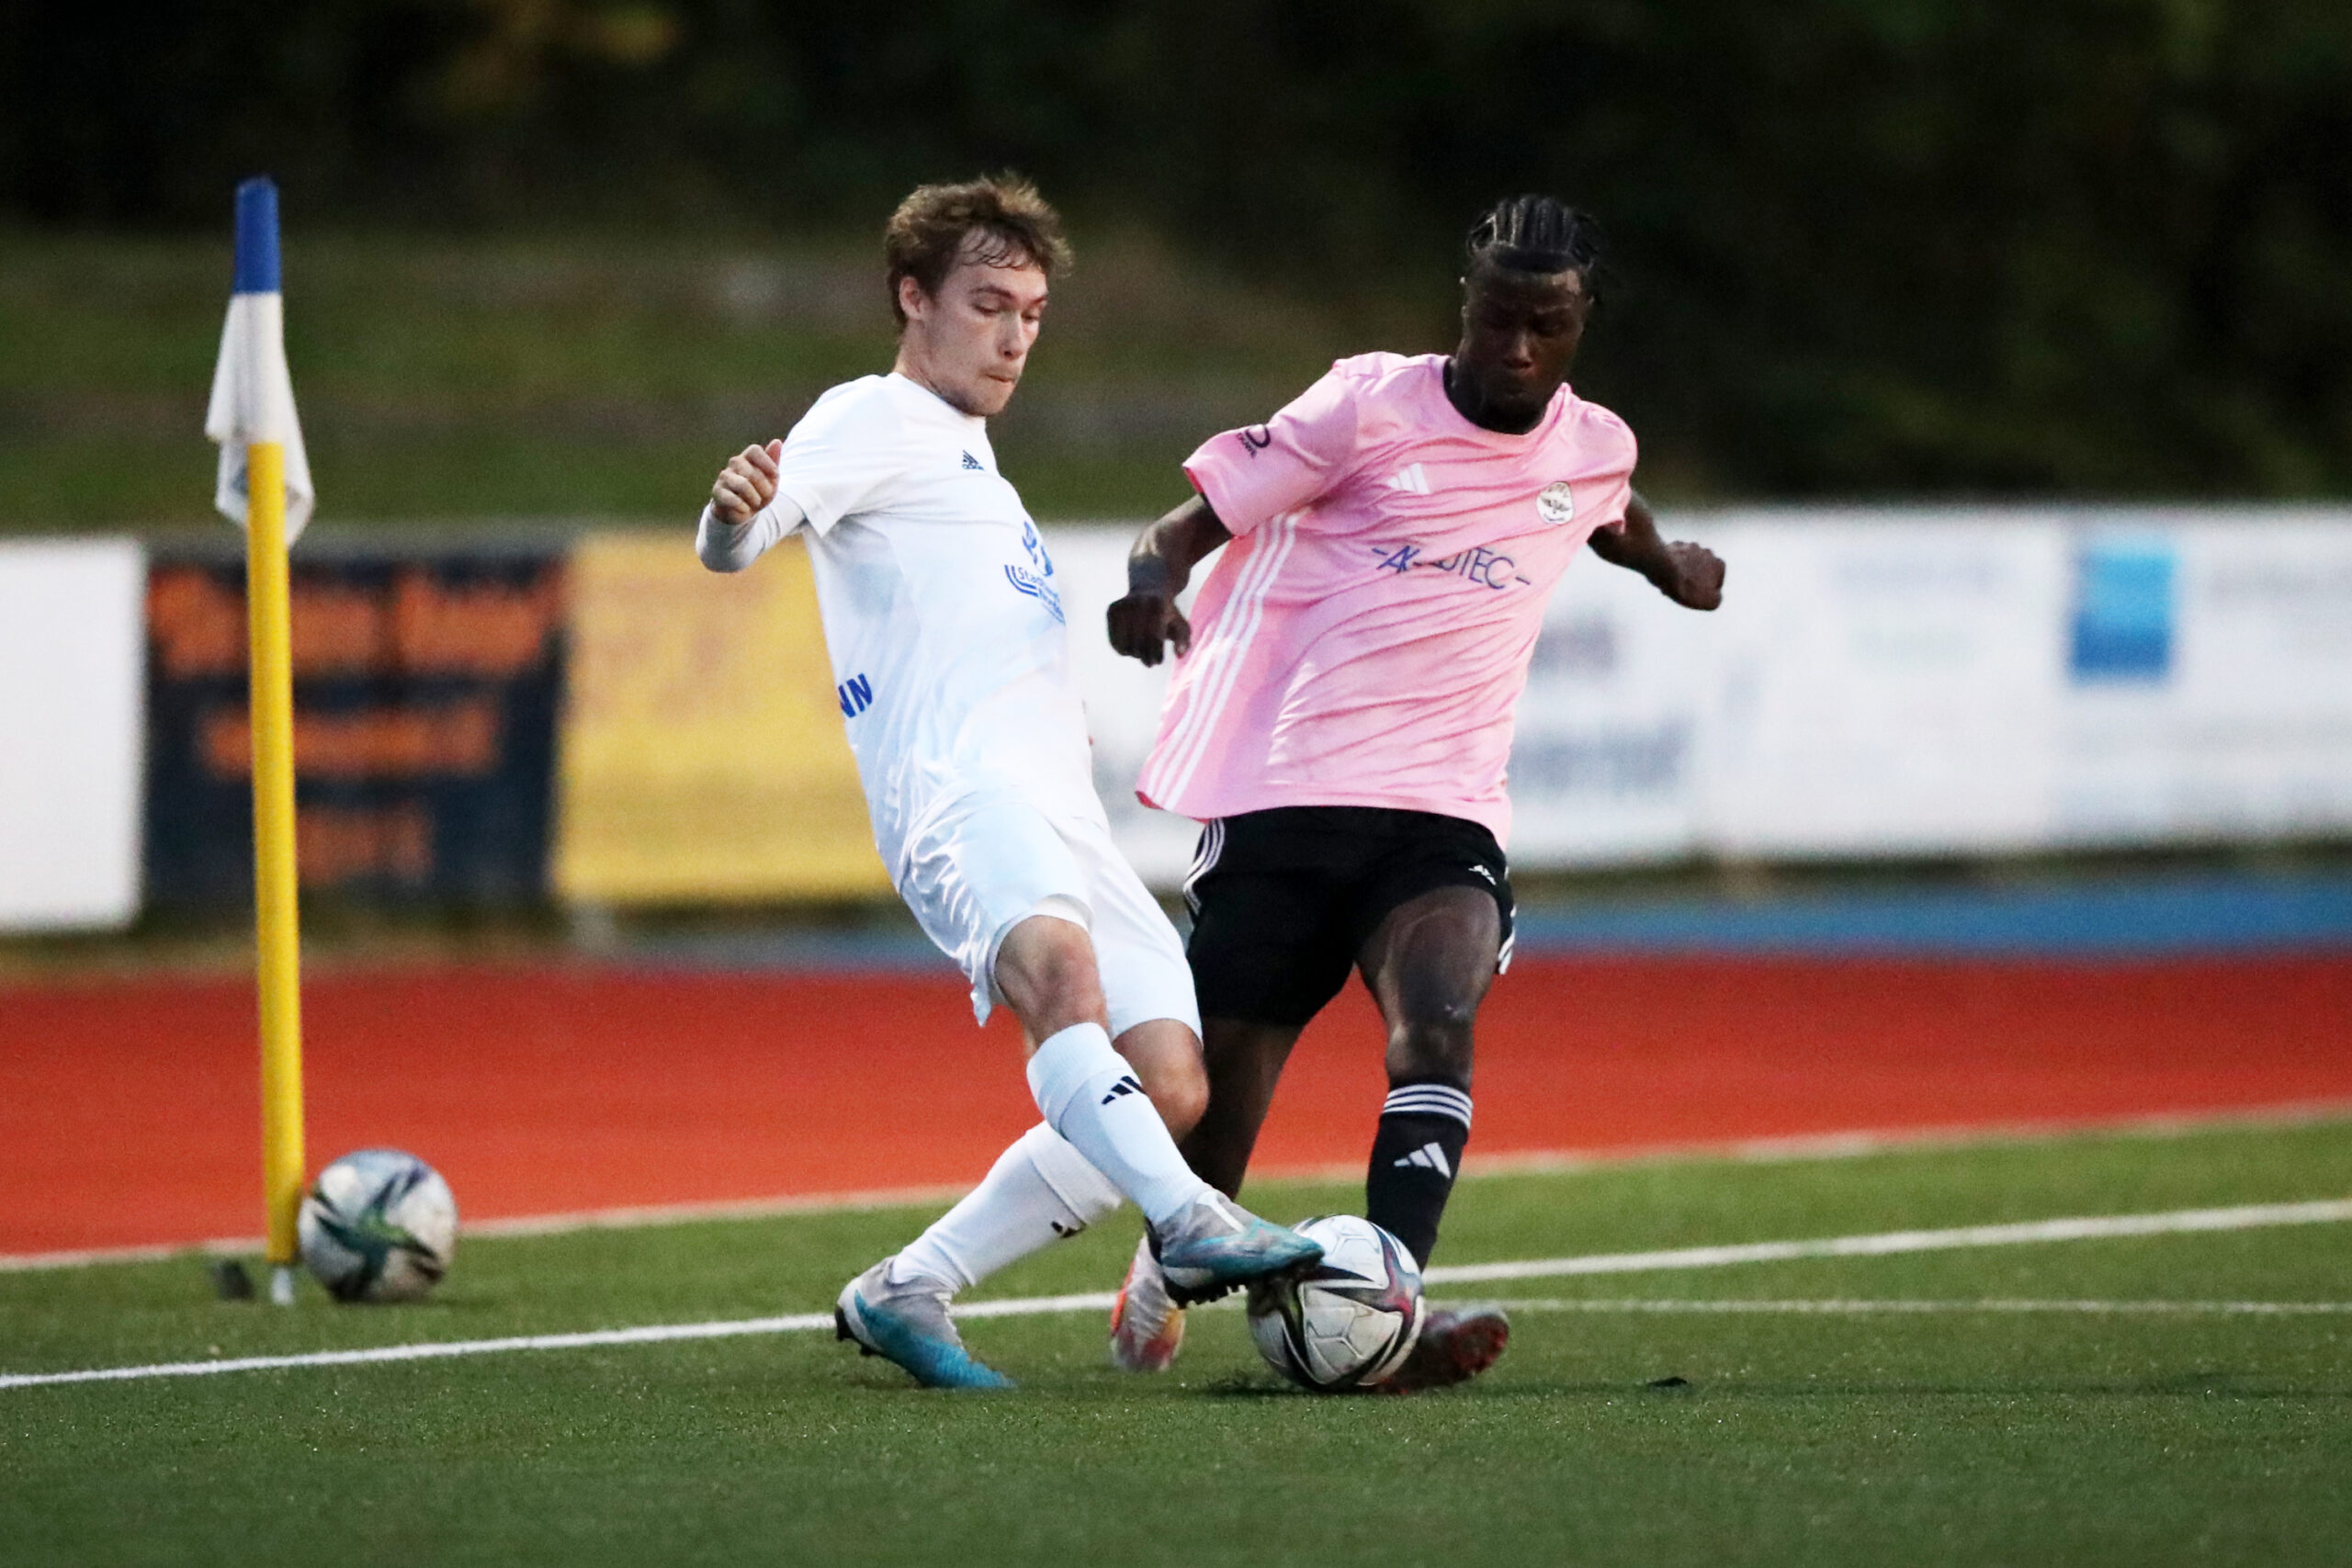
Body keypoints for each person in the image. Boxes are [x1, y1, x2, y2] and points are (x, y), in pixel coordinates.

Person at [695, 175, 1320, 1391]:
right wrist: (730, 518)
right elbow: (743, 540)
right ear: (913, 297)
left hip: (1059, 812)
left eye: (1032, 314)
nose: (1015, 337)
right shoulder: (871, 415)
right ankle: (1189, 1221)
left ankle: (905, 1289)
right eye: (988, 305)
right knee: (1061, 983)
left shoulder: (975, 460)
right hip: (958, 791)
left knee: (1169, 1080)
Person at [1102, 194, 1726, 1389]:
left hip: (1443, 812)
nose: (1517, 348)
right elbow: (1183, 528)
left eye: (1546, 326)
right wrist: (1147, 584)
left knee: (1436, 1024)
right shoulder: (1364, 408)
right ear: (1465, 305)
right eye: (1497, 319)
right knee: (1214, 1113)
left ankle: (1389, 1300)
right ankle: (1164, 1269)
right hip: (1287, 794)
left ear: (1584, 321)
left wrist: (1670, 566)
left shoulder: (1596, 445)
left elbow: (1612, 513)